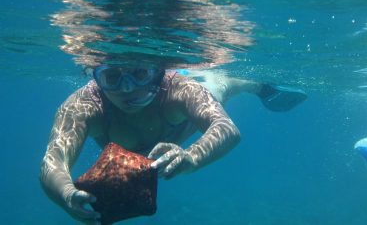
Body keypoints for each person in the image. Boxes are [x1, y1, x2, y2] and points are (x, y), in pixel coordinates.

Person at [40, 61, 307, 224]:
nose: (127, 87)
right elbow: (53, 160)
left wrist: (191, 157)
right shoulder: (84, 105)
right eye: (112, 77)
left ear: (157, 72)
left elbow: (227, 128)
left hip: (186, 125)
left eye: (140, 72)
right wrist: (65, 192)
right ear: (96, 76)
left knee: (219, 86)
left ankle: (258, 87)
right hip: (168, 131)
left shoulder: (177, 88)